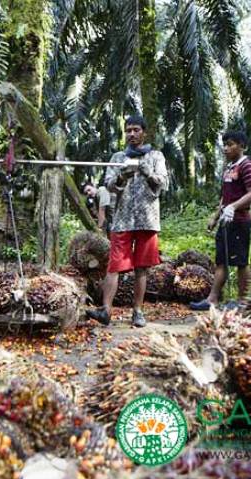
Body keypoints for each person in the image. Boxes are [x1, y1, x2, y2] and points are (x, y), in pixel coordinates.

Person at [85, 115, 169, 328]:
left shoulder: (156, 156)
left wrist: (147, 172)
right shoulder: (118, 156)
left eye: (136, 130)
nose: (132, 134)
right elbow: (108, 185)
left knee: (141, 268)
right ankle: (106, 310)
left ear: (144, 132)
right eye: (128, 130)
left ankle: (138, 312)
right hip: (122, 219)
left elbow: (163, 183)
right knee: (114, 266)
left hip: (147, 220)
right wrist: (122, 177)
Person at [190, 130, 251, 311]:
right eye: (225, 145)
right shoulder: (229, 168)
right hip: (226, 221)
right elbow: (225, 196)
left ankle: (243, 301)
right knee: (222, 261)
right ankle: (212, 300)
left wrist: (234, 207)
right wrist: (216, 216)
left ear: (242, 146)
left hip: (240, 221)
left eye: (230, 144)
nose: (226, 148)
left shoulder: (246, 166)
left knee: (241, 262)